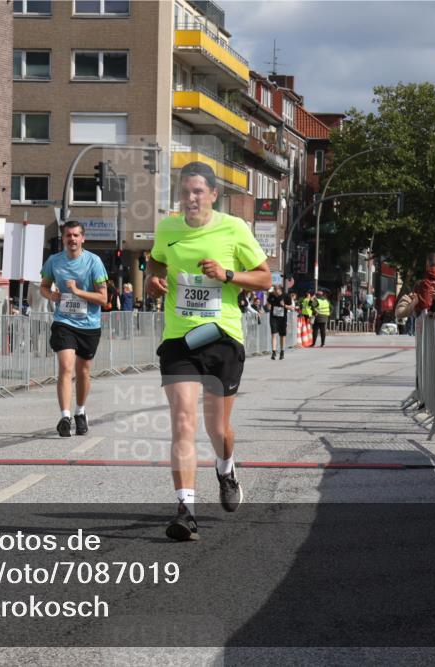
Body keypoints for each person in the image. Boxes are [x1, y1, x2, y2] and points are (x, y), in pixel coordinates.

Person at [146, 161, 271, 541]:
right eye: (185, 191)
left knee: (217, 428)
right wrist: (153, 279)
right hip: (180, 340)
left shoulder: (234, 228)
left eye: (198, 191)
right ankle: (186, 511)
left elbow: (265, 277)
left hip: (221, 338)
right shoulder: (168, 228)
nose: (191, 198)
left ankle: (226, 467)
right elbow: (156, 261)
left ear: (214, 195)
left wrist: (228, 275)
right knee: (183, 420)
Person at [40, 220, 108, 438]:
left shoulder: (94, 262)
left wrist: (77, 292)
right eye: (68, 235)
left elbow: (103, 298)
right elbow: (43, 286)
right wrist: (51, 295)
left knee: (83, 371)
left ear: (83, 238)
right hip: (64, 322)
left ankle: (80, 411)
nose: (72, 239)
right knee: (65, 366)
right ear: (63, 238)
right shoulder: (54, 261)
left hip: (89, 324)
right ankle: (65, 417)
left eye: (76, 235)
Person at [267, 283, 295, 360]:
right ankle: (274, 352)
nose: (275, 293)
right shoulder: (271, 295)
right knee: (273, 334)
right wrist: (268, 307)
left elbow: (292, 308)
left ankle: (282, 351)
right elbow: (268, 304)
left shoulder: (286, 296)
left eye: (276, 292)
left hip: (282, 318)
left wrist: (284, 305)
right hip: (273, 317)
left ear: (279, 290)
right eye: (274, 292)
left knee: (282, 335)